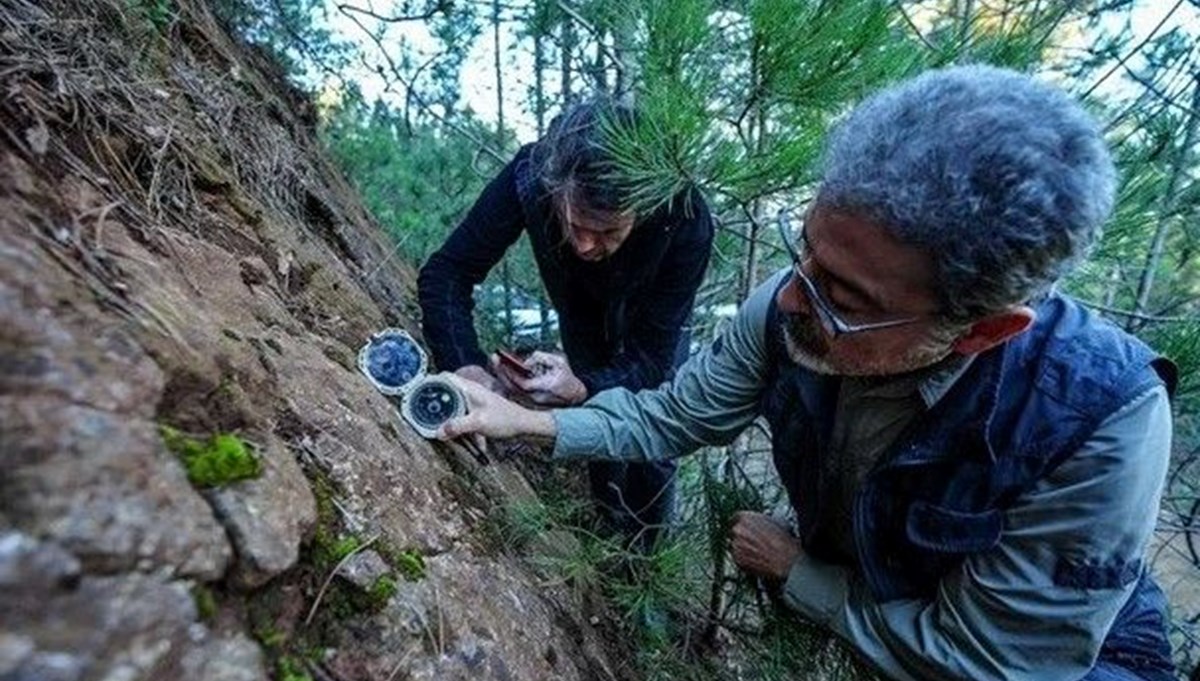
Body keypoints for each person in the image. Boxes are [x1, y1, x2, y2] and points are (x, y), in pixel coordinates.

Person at [433, 65, 1178, 681]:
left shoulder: (1101, 421)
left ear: (983, 329)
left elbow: (994, 663)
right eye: (805, 254)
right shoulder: (795, 304)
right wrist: (526, 420)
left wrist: (803, 574)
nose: (790, 299)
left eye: (845, 298)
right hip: (884, 620)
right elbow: (670, 413)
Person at [417, 98, 715, 547]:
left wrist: (582, 387)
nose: (584, 246)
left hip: (654, 326)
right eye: (574, 223)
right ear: (554, 187)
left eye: (608, 231)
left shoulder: (686, 216)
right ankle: (604, 530)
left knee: (654, 443)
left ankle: (644, 563)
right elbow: (448, 273)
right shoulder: (531, 175)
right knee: (598, 427)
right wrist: (467, 365)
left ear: (645, 207)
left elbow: (651, 359)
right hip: (582, 313)